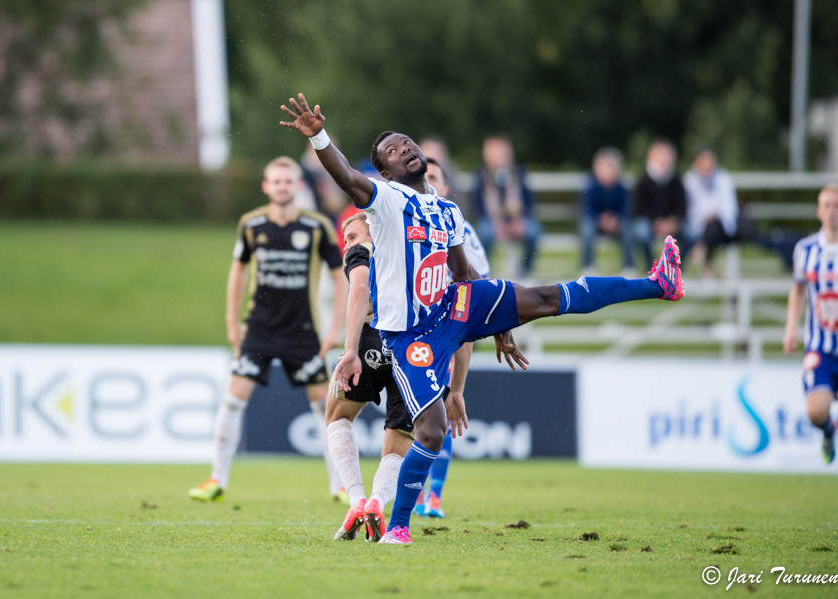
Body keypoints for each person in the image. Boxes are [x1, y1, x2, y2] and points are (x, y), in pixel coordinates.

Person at [279, 93, 684, 544]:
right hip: (410, 335)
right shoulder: (386, 199)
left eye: (407, 142)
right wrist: (319, 137)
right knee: (429, 432)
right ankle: (397, 525)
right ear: (387, 172)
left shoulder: (447, 210)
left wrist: (499, 324)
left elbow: (464, 273)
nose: (406, 147)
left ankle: (657, 283)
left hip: (455, 306)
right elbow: (347, 177)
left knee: (546, 296)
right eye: (393, 150)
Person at [189, 156, 348, 503]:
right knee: (232, 399)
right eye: (276, 181)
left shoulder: (317, 226)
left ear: (298, 186)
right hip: (258, 329)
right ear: (266, 186)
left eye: (287, 181)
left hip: (303, 332)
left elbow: (340, 275)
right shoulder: (251, 224)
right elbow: (238, 271)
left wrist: (337, 326)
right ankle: (216, 479)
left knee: (325, 408)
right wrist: (232, 321)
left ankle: (338, 484)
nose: (282, 187)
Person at [328, 212, 418, 541]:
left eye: (350, 235)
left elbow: (359, 289)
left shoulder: (363, 249)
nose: (347, 244)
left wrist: (350, 349)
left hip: (372, 338)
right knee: (400, 437)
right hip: (415, 347)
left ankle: (356, 501)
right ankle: (378, 503)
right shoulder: (417, 250)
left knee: (337, 416)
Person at [410, 158, 491, 520]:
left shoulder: (460, 229)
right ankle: (409, 493)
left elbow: (477, 285)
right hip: (406, 332)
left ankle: (434, 496)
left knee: (438, 411)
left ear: (444, 189)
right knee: (413, 419)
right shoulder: (399, 221)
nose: (425, 183)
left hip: (445, 330)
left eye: (433, 178)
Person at [783, 184, 838, 465]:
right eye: (826, 206)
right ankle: (829, 430)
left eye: (836, 206)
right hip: (820, 347)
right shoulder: (805, 250)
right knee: (816, 411)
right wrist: (791, 327)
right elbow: (798, 289)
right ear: (818, 211)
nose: (832, 212)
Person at [472, 134, 541, 278]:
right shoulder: (481, 174)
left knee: (534, 232)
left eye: (502, 152)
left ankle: (525, 271)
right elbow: (477, 206)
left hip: (518, 219)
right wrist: (497, 224)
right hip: (491, 221)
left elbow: (529, 201)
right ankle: (485, 272)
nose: (499, 157)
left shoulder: (519, 172)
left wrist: (520, 221)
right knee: (485, 234)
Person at [683, 147, 744, 277]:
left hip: (720, 227)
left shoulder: (724, 179)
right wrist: (705, 217)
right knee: (707, 228)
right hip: (696, 226)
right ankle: (705, 259)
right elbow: (688, 210)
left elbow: (730, 210)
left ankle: (704, 254)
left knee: (714, 226)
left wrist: (714, 215)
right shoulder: (689, 181)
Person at [632, 139, 687, 271]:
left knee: (692, 233)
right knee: (642, 232)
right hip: (650, 222)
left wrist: (673, 221)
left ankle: (677, 268)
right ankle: (651, 267)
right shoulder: (643, 179)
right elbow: (639, 207)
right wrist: (656, 223)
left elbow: (682, 206)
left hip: (671, 223)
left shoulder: (675, 179)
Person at [580, 147, 634, 276]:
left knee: (628, 228)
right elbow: (587, 210)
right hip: (595, 223)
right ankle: (587, 266)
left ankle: (629, 267)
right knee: (587, 229)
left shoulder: (622, 188)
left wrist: (616, 220)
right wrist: (601, 219)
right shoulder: (590, 187)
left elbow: (627, 210)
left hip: (617, 224)